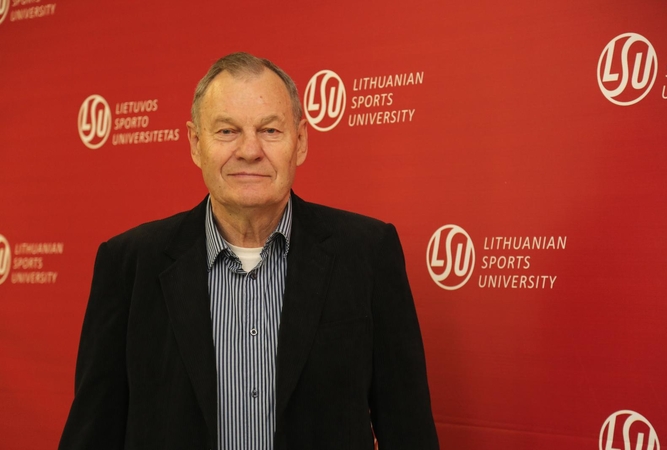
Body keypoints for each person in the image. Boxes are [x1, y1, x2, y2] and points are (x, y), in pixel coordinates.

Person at [59, 52, 439, 450]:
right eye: (227, 131)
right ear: (196, 143)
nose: (250, 150)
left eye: (270, 130)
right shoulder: (129, 265)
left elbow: (408, 429)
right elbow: (93, 432)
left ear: (300, 141)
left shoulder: (368, 253)